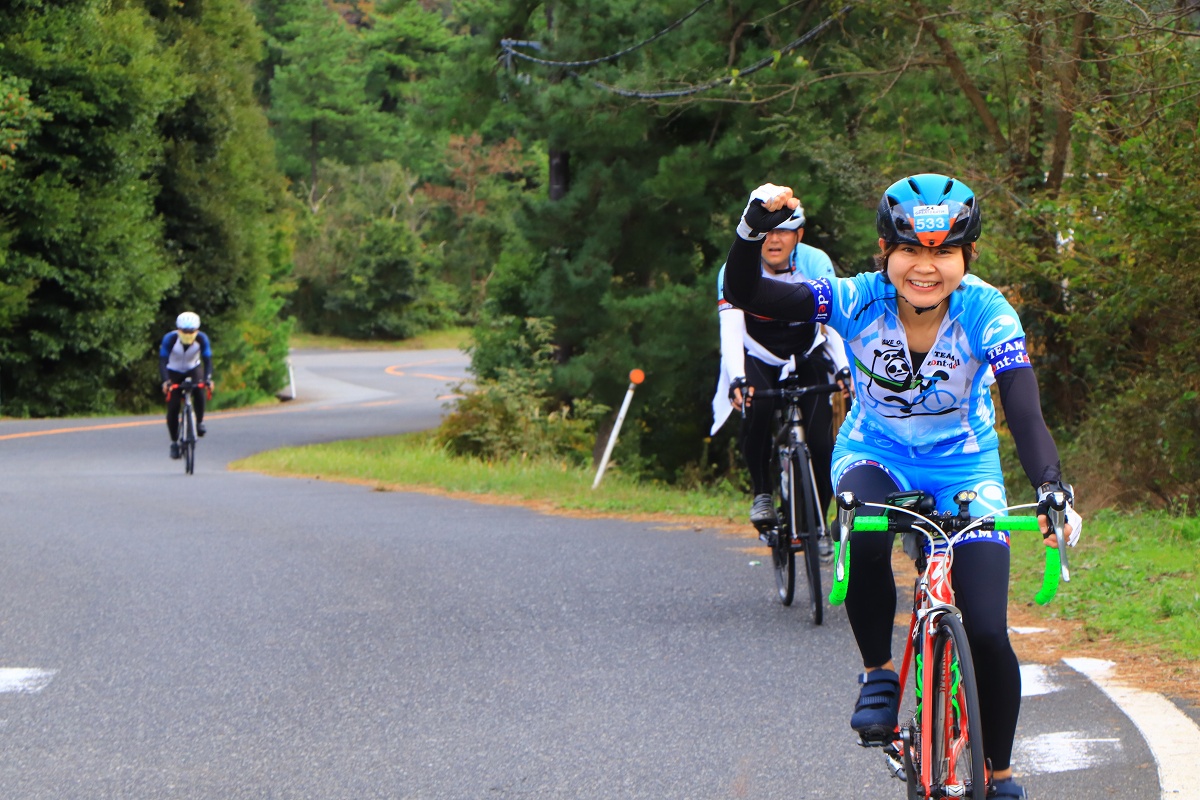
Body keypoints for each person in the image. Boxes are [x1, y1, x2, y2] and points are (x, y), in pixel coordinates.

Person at [721, 175, 1082, 800]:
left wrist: (1052, 487)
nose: (926, 267)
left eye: (943, 252)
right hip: (874, 453)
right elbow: (748, 290)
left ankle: (998, 774)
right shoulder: (856, 298)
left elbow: (1024, 410)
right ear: (885, 250)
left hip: (965, 467)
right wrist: (751, 229)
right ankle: (879, 675)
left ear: (965, 258)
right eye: (910, 250)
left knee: (991, 630)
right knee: (864, 525)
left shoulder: (988, 311)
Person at [710, 203, 851, 533]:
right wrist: (738, 379)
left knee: (820, 441)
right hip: (757, 353)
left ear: (798, 236)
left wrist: (845, 370)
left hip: (806, 350)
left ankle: (815, 519)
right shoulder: (736, 267)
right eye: (767, 233)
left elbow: (834, 321)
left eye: (784, 232)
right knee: (755, 409)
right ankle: (762, 492)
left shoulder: (815, 262)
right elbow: (730, 327)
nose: (774, 240)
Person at [159, 311, 214, 459]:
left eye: (192, 331)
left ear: (197, 330)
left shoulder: (202, 339)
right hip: (173, 370)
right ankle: (174, 442)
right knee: (173, 406)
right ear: (178, 330)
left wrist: (208, 379)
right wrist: (166, 381)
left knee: (199, 390)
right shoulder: (170, 339)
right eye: (185, 331)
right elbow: (163, 361)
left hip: (193, 368)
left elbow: (208, 360)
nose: (188, 334)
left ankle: (200, 422)